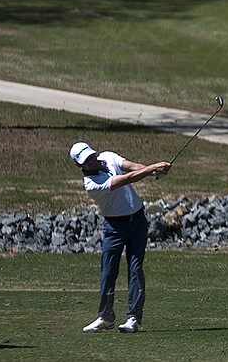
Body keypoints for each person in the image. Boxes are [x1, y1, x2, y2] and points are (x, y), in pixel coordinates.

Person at [69, 141, 171, 333]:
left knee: (135, 268)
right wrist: (153, 168)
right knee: (108, 272)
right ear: (79, 166)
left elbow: (132, 167)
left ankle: (133, 318)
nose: (91, 162)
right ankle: (105, 317)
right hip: (114, 227)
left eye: (91, 157)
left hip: (138, 221)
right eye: (86, 161)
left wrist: (154, 171)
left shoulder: (108, 156)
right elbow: (126, 179)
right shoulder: (91, 184)